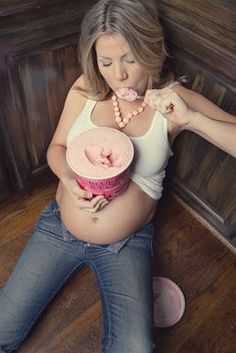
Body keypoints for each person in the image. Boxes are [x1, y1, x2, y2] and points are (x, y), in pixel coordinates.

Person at [0, 1, 235, 352]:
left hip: (126, 243)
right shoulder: (86, 89)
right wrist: (67, 179)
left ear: (151, 49)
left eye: (129, 58)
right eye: (105, 61)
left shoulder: (174, 102)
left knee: (136, 348)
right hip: (59, 228)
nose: (118, 75)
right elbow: (57, 148)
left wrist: (192, 120)